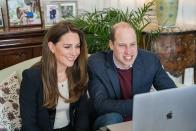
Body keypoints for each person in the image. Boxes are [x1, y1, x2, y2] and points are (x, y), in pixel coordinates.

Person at [88, 22, 176, 130]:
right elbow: (100, 105)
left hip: (140, 118)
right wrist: (143, 105)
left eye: (132, 44)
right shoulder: (97, 63)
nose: (128, 51)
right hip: (109, 118)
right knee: (114, 118)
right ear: (111, 45)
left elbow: (172, 93)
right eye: (122, 45)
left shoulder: (150, 60)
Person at [20, 21, 89, 131]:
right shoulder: (32, 77)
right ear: (52, 47)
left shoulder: (78, 72)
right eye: (67, 47)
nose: (74, 52)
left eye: (77, 46)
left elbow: (83, 116)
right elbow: (29, 125)